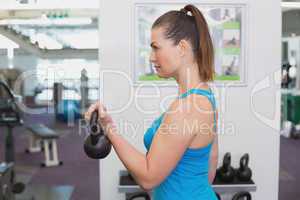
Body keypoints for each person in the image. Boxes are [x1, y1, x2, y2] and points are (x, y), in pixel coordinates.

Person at [85, 4, 219, 200]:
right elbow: (210, 164)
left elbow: (148, 177)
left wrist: (110, 131)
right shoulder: (205, 95)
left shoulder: (186, 107)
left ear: (182, 48)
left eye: (156, 48)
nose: (151, 57)